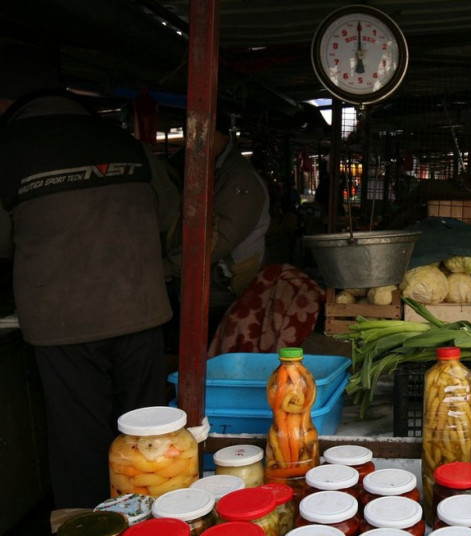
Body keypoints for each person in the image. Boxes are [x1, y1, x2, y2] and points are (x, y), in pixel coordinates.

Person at [0, 45, 180, 509]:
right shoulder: (122, 140)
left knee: (80, 439)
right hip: (140, 310)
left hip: (64, 325)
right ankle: (158, 533)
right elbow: (168, 212)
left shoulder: (6, 151)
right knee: (146, 432)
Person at [165, 109, 271, 333]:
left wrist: (169, 266)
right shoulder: (202, 167)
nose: (194, 140)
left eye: (204, 133)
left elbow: (217, 242)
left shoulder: (239, 180)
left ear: (223, 136)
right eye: (190, 133)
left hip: (225, 291)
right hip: (204, 290)